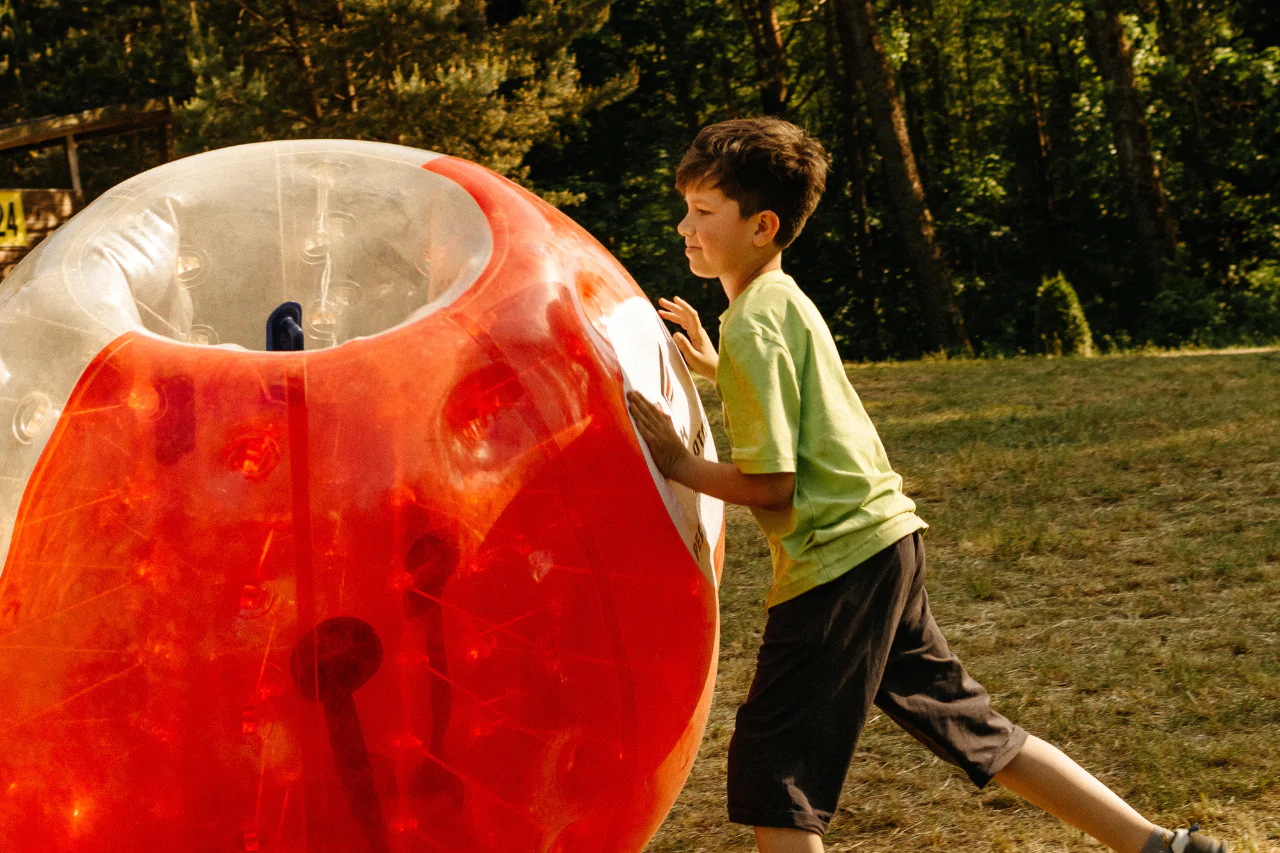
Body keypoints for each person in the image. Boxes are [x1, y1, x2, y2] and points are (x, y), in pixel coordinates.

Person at [625, 117, 1226, 853]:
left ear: (763, 225)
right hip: (885, 545)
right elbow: (803, 407)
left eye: (702, 211)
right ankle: (1162, 846)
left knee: (774, 769)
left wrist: (677, 461)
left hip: (838, 563)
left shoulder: (755, 322)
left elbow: (774, 484)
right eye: (686, 208)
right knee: (974, 727)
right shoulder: (778, 302)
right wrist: (721, 369)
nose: (683, 226)